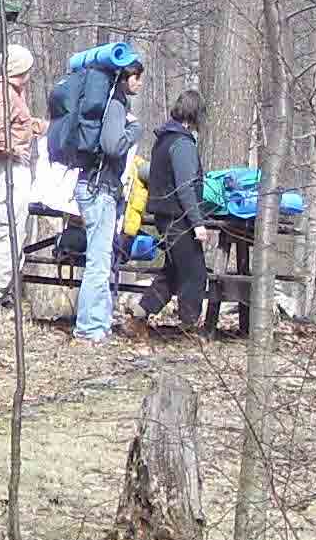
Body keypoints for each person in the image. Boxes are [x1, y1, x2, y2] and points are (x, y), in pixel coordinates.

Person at [71, 52, 144, 344]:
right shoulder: (115, 105)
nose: (139, 84)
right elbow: (111, 145)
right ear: (126, 78)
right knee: (98, 263)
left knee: (99, 261)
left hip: (94, 186)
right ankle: (89, 329)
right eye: (137, 78)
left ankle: (98, 325)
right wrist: (133, 131)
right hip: (99, 190)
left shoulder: (111, 103)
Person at [134, 87, 212, 334]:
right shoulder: (182, 143)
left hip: (163, 215)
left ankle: (141, 312)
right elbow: (185, 187)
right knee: (195, 273)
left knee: (174, 270)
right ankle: (189, 326)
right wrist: (197, 222)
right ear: (195, 115)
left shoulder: (164, 138)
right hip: (178, 217)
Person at [0, 43, 41, 310]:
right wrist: (13, 150)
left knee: (15, 232)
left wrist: (42, 127)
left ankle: (3, 293)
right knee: (9, 233)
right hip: (7, 171)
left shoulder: (13, 95)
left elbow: (19, 124)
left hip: (10, 170)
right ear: (20, 70)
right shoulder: (4, 95)